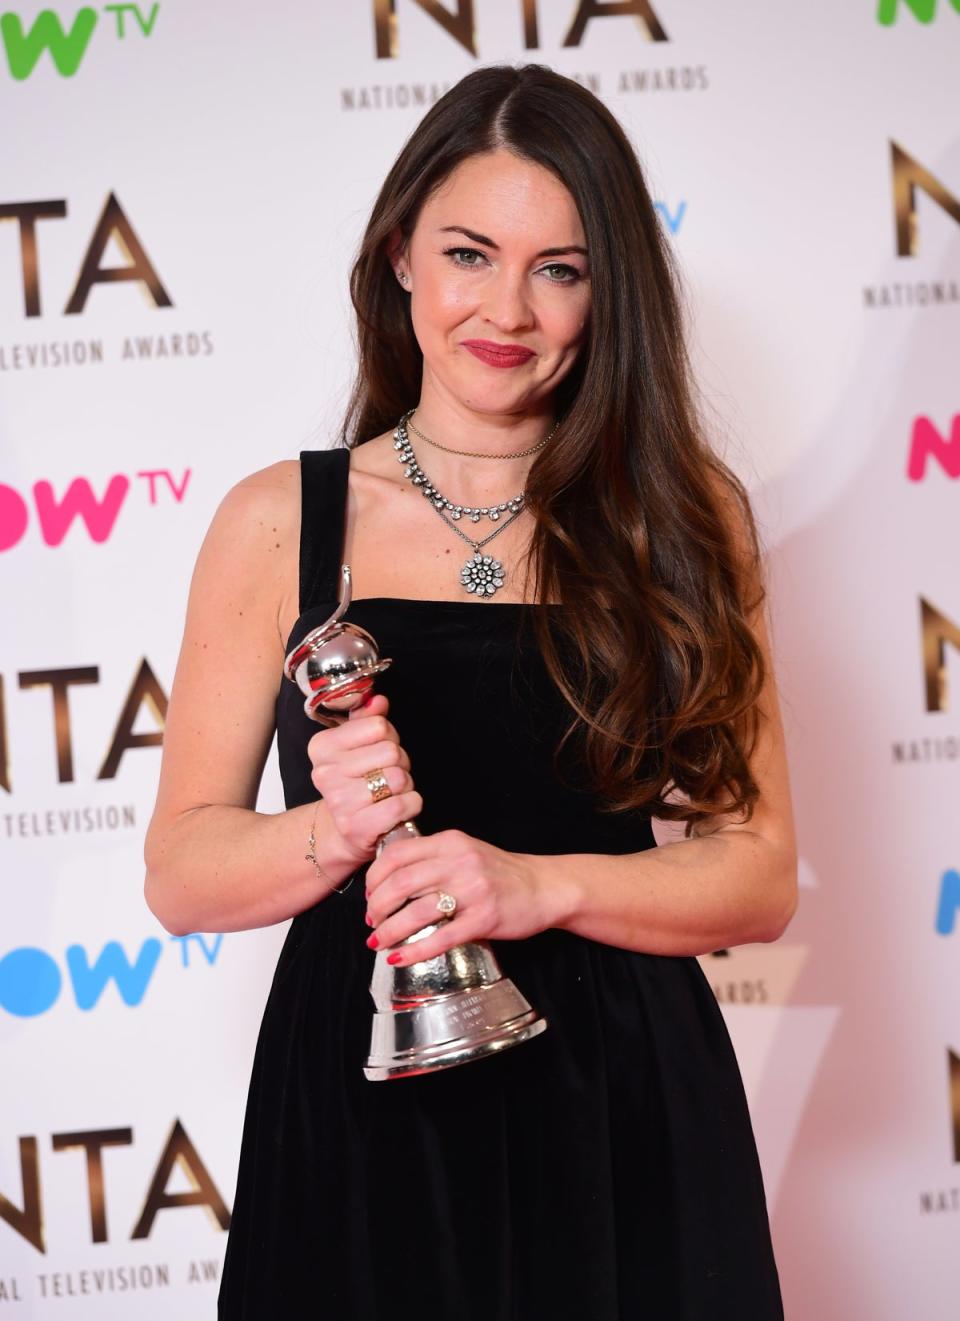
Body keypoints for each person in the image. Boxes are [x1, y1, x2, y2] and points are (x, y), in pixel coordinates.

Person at [144, 62, 797, 1321]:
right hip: (363, 1101)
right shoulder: (283, 520)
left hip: (625, 1102)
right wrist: (329, 834)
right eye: (469, 253)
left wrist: (536, 882)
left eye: (562, 267)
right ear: (400, 256)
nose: (510, 307)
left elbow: (759, 872)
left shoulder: (683, 516)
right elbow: (181, 870)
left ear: (612, 291)